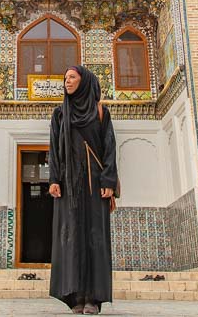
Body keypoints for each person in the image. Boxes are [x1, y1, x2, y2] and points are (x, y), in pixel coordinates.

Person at [49, 65, 118, 316]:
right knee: (71, 238)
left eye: (72, 77)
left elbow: (109, 147)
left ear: (84, 81)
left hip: (95, 185)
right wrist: (54, 179)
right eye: (65, 78)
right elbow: (54, 149)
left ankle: (93, 297)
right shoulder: (60, 114)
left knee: (94, 237)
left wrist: (108, 181)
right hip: (68, 185)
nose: (66, 82)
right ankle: (75, 295)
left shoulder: (100, 112)